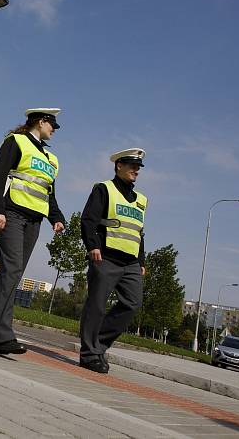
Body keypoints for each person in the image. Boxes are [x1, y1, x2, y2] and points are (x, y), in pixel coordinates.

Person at [0, 108, 66, 355]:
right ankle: (2, 335)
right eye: (52, 124)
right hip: (11, 213)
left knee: (11, 274)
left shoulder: (52, 160)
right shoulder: (16, 142)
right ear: (41, 122)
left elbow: (47, 191)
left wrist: (56, 217)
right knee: (12, 270)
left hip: (34, 221)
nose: (54, 130)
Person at [78, 148, 148, 373]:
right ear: (119, 166)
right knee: (96, 306)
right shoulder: (104, 189)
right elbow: (88, 220)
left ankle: (97, 344)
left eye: (138, 167)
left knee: (133, 303)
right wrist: (93, 246)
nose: (136, 170)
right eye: (132, 165)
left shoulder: (142, 200)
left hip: (130, 264)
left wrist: (142, 260)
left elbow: (139, 232)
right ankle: (89, 354)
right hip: (105, 257)